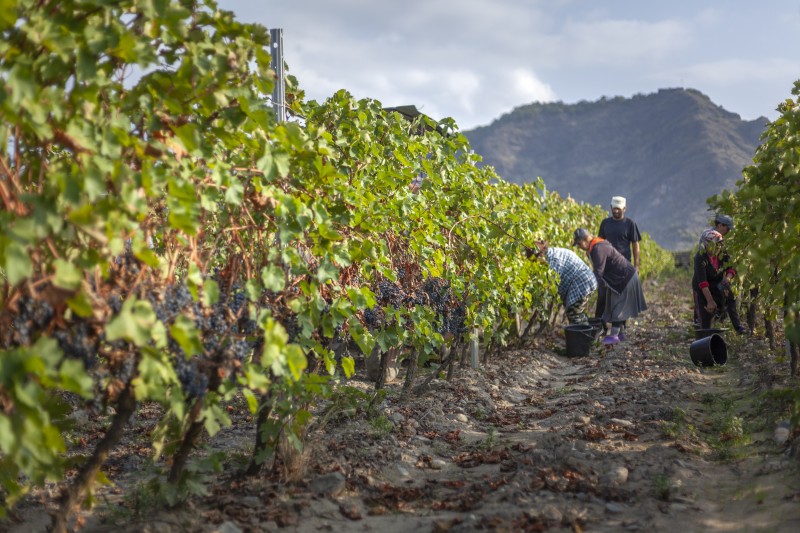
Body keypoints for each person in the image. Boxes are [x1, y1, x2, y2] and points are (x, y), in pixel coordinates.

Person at [573, 228, 647, 345]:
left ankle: (613, 337)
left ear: (586, 239)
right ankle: (621, 334)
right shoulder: (596, 246)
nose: (578, 246)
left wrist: (587, 289)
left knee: (618, 306)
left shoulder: (598, 248)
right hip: (620, 278)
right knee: (612, 304)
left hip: (625, 278)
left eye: (579, 243)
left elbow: (598, 272)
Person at [595, 196, 642, 328]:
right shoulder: (605, 223)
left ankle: (620, 325)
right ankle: (599, 324)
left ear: (624, 209)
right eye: (614, 208)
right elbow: (599, 243)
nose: (615, 211)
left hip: (623, 267)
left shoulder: (630, 224)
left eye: (618, 209)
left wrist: (636, 265)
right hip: (607, 266)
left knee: (621, 296)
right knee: (603, 295)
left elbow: (635, 245)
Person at [526, 241, 597, 325]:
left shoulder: (553, 261)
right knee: (576, 313)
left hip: (582, 283)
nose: (536, 264)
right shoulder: (552, 254)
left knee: (574, 314)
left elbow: (552, 286)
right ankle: (589, 332)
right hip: (584, 281)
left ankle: (584, 336)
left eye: (535, 261)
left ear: (541, 255)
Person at [692, 229, 747, 333]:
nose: (717, 247)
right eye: (713, 245)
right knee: (705, 313)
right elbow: (702, 283)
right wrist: (710, 301)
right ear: (705, 245)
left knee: (730, 296)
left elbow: (731, 267)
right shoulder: (700, 257)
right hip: (702, 287)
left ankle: (738, 327)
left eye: (719, 245)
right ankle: (705, 337)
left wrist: (727, 278)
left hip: (717, 282)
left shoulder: (722, 253)